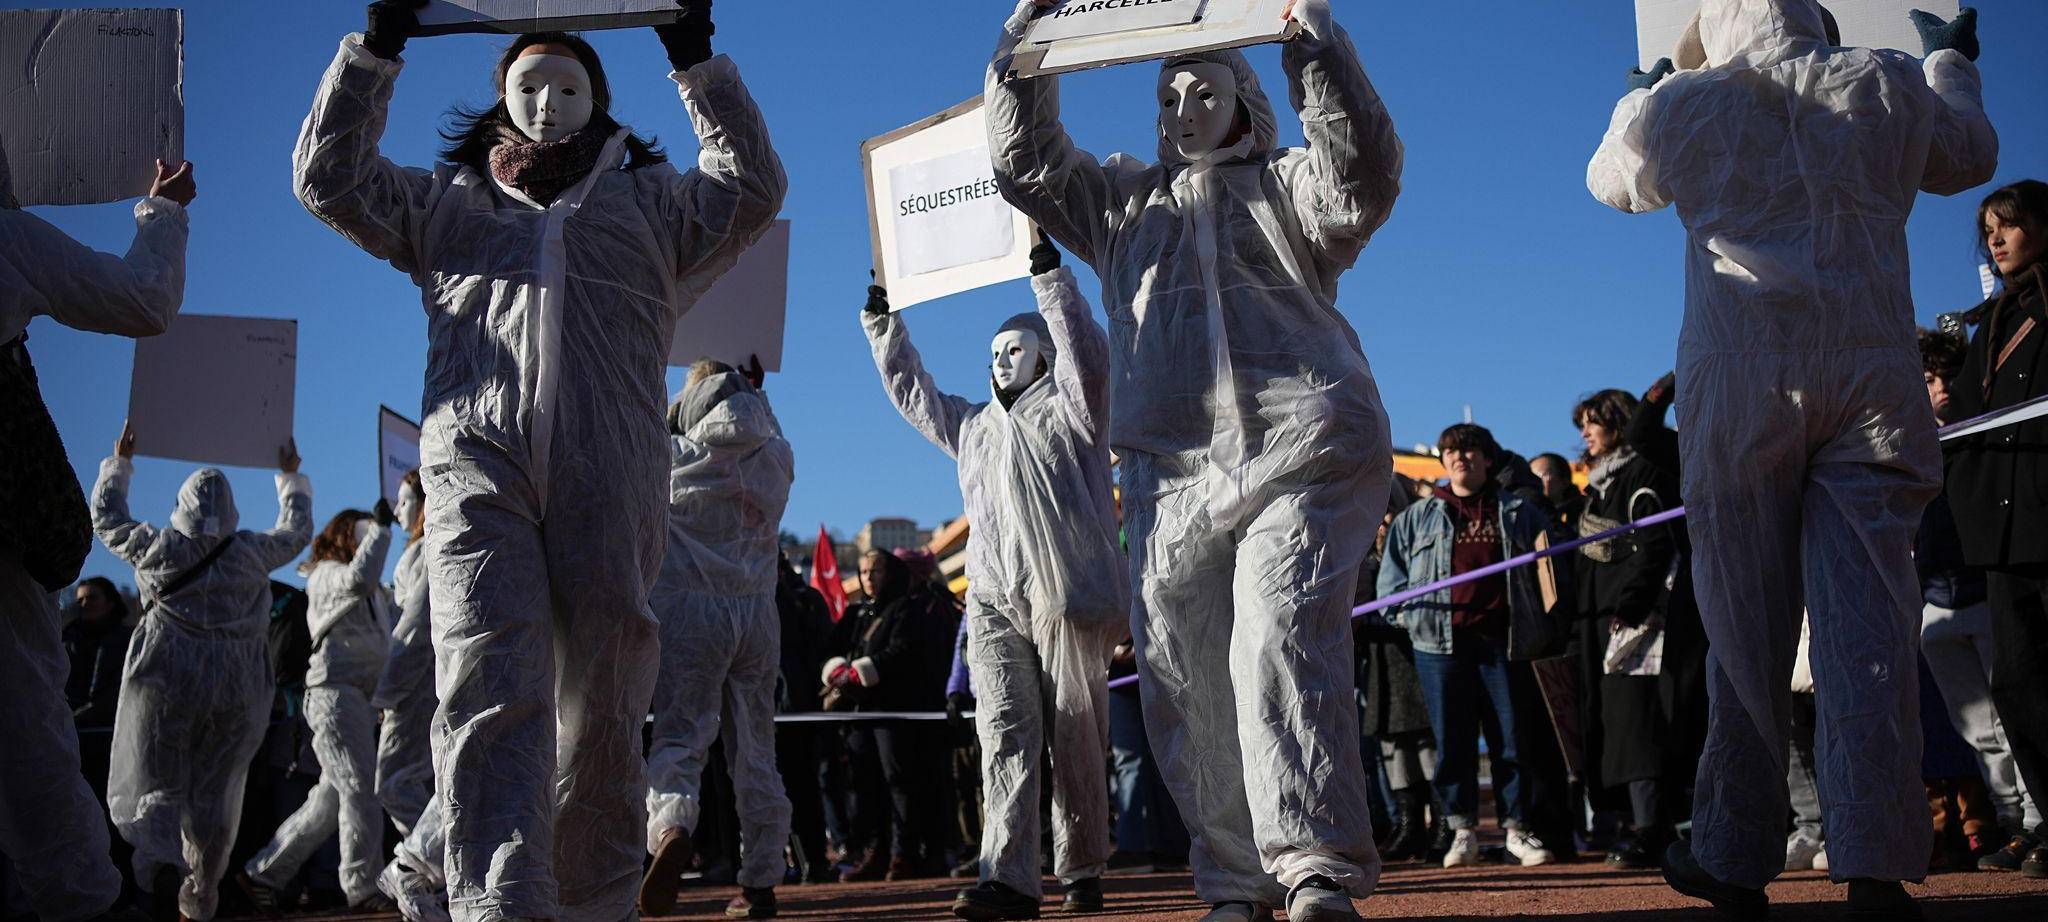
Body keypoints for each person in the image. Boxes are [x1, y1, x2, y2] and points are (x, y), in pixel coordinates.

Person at [293, 0, 784, 917]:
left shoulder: (654, 204)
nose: (548, 103)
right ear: (501, 102)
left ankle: (593, 904)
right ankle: (501, 904)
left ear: (598, 100)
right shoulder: (445, 204)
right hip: (477, 468)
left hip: (613, 474)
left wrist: (697, 62)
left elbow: (752, 186)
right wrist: (375, 52)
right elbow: (329, 179)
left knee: (603, 699)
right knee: (489, 685)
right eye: (528, 86)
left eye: (568, 85)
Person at [985, 0, 1398, 917]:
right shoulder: (1123, 207)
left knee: (1280, 638)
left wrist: (1312, 46)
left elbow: (1363, 179)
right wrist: (1025, 47)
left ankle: (1315, 866)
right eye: (1167, 97)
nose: (1182, 111)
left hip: (1304, 446)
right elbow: (1026, 165)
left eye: (1204, 92)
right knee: (1184, 675)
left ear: (1245, 102)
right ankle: (1236, 881)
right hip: (1168, 475)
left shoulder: (1289, 188)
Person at [1586, 0, 1998, 914]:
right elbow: (1971, 155)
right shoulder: (1885, 82)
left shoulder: (1687, 102)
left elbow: (1611, 184)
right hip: (1870, 365)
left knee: (1744, 626)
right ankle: (1876, 860)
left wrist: (1639, 101)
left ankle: (1735, 853)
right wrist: (1949, 65)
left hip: (1740, 376)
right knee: (1869, 623)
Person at [862, 236, 1128, 920]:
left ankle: (1081, 865)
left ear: (1044, 354)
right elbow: (915, 395)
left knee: (1075, 734)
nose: (1001, 360)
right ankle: (1008, 877)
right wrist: (884, 326)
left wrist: (1051, 284)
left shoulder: (1075, 412)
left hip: (1066, 595)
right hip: (992, 600)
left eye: (1016, 348)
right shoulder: (973, 426)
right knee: (1003, 729)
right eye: (994, 352)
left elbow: (1089, 359)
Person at [0, 147, 193, 922]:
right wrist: (165, 212)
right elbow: (142, 299)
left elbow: (115, 523)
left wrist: (118, 467)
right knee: (24, 725)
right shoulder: (7, 239)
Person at [92, 426, 312, 922]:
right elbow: (296, 532)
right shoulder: (250, 554)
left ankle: (159, 868)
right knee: (216, 794)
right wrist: (290, 478)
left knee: (158, 784)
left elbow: (106, 519)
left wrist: (120, 464)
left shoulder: (159, 547)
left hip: (166, 681)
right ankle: (200, 894)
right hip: (235, 690)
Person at [639, 360, 795, 920]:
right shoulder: (775, 458)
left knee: (680, 738)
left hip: (690, 614)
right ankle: (761, 881)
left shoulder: (673, 458)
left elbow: (645, 438)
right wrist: (756, 395)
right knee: (757, 751)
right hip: (757, 615)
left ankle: (672, 826)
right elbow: (771, 431)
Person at [1378, 424, 1558, 870]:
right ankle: (1462, 831)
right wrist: (1413, 622)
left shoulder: (1518, 512)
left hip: (1503, 643)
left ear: (1488, 459)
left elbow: (1549, 573)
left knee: (1510, 739)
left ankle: (1517, 829)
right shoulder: (1417, 518)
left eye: (1471, 450)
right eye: (1452, 451)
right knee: (1452, 743)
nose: (1461, 457)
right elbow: (1391, 586)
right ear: (1443, 461)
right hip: (1439, 647)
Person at [1946, 179, 2048, 877]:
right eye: (1987, 230)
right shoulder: (1990, 323)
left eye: (2008, 224)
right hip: (2002, 536)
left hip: (2044, 515)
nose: (1996, 239)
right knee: (2017, 682)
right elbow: (1963, 423)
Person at [1915, 329, 2040, 866]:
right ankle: (2008, 822)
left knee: (2016, 713)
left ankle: (2035, 819)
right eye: (1928, 379)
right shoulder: (1907, 444)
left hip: (1987, 592)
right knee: (1977, 730)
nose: (1940, 388)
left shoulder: (1984, 432)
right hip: (1935, 607)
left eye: (1947, 377)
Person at [243, 503, 397, 912]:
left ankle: (263, 872)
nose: (368, 540)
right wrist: (382, 531)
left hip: (358, 701)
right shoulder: (325, 575)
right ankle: (362, 887)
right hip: (334, 696)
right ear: (345, 536)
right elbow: (359, 578)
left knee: (330, 800)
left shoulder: (374, 594)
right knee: (361, 790)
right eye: (362, 533)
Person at [1569, 389, 1694, 869]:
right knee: (1614, 721)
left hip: (1641, 619)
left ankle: (1652, 826)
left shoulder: (1644, 471)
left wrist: (1634, 603)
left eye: (1593, 421)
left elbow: (1657, 543)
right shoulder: (1598, 486)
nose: (1585, 432)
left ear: (1617, 422)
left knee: (1639, 721)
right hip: (1599, 619)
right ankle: (1627, 820)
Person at [825, 550, 949, 882]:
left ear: (891, 573)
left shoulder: (906, 609)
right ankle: (875, 852)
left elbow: (904, 651)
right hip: (860, 713)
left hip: (894, 710)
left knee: (899, 782)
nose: (868, 577)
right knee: (865, 785)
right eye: (864, 571)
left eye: (876, 571)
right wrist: (836, 670)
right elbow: (833, 648)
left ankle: (902, 853)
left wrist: (865, 670)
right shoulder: (857, 613)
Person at [374, 471, 434, 835]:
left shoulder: (426, 552)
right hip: (414, 681)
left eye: (405, 501)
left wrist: (388, 690)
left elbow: (416, 624)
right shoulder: (417, 553)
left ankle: (430, 863)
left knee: (394, 784)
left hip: (413, 684)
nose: (398, 510)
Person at [66, 577, 134, 728]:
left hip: (114, 727)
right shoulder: (66, 642)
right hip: (68, 729)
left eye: (92, 598)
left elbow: (122, 690)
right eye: (80, 600)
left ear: (110, 603)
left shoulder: (129, 640)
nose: (85, 604)